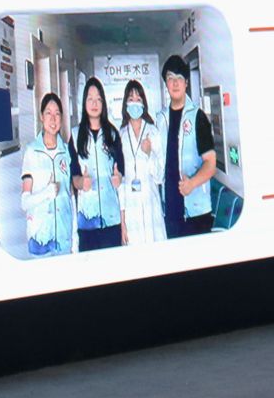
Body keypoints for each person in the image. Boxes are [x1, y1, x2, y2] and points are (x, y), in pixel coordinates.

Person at [157, 54, 218, 238]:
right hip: (170, 210)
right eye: (170, 78)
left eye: (179, 78)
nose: (175, 83)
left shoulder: (198, 117)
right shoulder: (160, 119)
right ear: (166, 84)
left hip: (196, 211)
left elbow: (210, 163)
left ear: (186, 83)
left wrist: (192, 183)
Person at [68, 76, 125, 251]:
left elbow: (121, 170)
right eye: (90, 99)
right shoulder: (75, 135)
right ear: (84, 103)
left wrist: (119, 178)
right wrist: (81, 183)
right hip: (87, 221)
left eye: (98, 99)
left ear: (103, 103)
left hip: (111, 219)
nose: (94, 103)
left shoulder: (113, 134)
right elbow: (73, 177)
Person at [19, 91, 75, 257]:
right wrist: (46, 193)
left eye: (57, 114)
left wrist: (75, 236)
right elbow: (24, 203)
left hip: (64, 238)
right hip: (40, 239)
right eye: (48, 113)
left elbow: (71, 196)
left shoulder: (66, 151)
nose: (53, 119)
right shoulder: (31, 152)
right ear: (41, 117)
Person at [116, 78, 165, 246]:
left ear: (144, 103)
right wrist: (123, 222)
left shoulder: (153, 132)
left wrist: (149, 154)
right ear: (125, 104)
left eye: (138, 99)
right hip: (131, 210)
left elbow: (160, 177)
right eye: (131, 99)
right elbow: (121, 182)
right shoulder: (121, 136)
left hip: (151, 206)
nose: (135, 103)